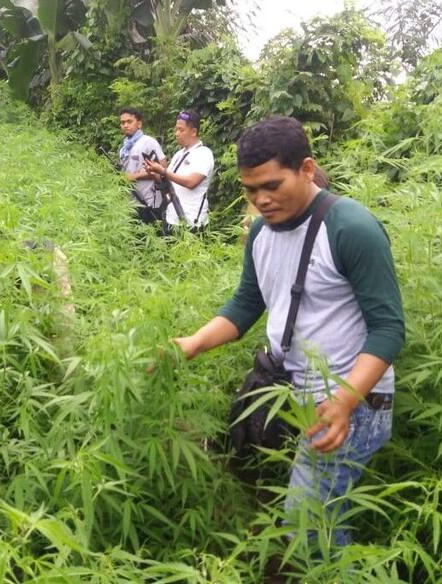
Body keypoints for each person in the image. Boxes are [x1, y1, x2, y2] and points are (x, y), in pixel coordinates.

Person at [174, 116, 405, 546]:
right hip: (292, 393)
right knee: (291, 509)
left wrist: (342, 402)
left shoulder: (351, 228)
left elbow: (388, 330)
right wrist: (191, 344)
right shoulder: (262, 232)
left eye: (272, 186)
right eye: (250, 190)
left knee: (311, 528)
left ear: (305, 168)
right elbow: (246, 304)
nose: (260, 200)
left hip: (352, 401)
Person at [144, 109, 214, 233]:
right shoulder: (179, 154)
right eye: (176, 129)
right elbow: (167, 179)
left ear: (193, 132)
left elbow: (191, 182)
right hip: (172, 218)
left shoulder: (204, 153)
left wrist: (163, 171)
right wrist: (153, 172)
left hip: (192, 222)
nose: (177, 133)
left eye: (181, 130)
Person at [118, 107, 167, 224]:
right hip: (130, 203)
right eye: (123, 122)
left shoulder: (148, 142)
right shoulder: (124, 149)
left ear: (139, 124)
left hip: (149, 203)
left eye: (129, 122)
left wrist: (134, 176)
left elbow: (163, 169)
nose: (125, 125)